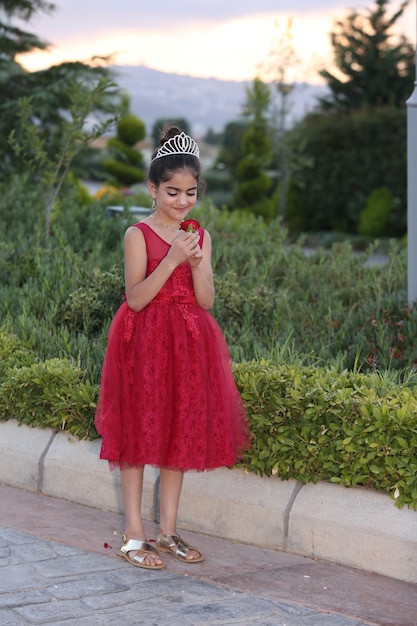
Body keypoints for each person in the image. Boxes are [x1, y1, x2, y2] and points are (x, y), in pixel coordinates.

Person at [94, 125, 251, 569]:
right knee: (138, 434)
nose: (182, 202)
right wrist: (173, 260)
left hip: (187, 344)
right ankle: (133, 535)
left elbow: (206, 300)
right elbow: (136, 298)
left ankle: (167, 532)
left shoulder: (199, 235)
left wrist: (197, 262)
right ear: (153, 188)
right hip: (143, 341)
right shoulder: (137, 234)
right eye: (172, 192)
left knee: (177, 432)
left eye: (191, 192)